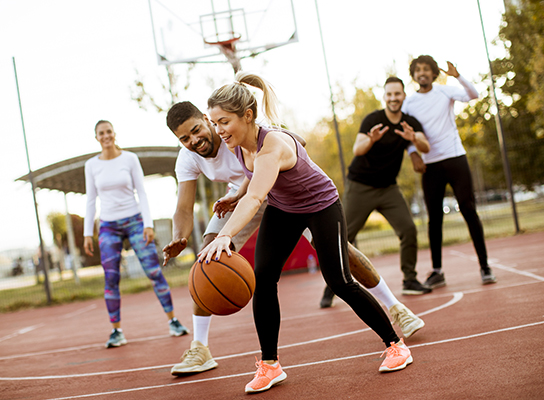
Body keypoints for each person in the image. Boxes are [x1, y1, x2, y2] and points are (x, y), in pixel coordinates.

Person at [164, 101, 424, 377]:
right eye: (184, 138)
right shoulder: (192, 156)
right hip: (243, 198)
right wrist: (180, 237)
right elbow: (184, 207)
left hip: (289, 194)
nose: (194, 140)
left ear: (207, 120)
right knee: (209, 259)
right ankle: (202, 348)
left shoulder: (239, 128)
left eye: (196, 130)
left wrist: (282, 146)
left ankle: (395, 308)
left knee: (340, 260)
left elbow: (293, 142)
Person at [319, 77, 432, 308]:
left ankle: (410, 279)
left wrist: (413, 140)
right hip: (361, 186)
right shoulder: (373, 119)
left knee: (408, 230)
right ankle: (332, 286)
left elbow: (425, 145)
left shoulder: (409, 123)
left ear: (403, 96)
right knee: (343, 237)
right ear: (385, 96)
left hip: (388, 189)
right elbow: (357, 149)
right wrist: (371, 140)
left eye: (397, 94)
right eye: (389, 94)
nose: (393, 98)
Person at [84, 120, 189, 349]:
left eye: (109, 132)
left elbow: (141, 191)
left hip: (134, 221)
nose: (106, 136)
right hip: (108, 226)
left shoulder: (129, 159)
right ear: (96, 137)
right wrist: (86, 233)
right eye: (101, 133)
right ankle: (116, 331)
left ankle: (173, 321)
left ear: (114, 133)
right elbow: (91, 199)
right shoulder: (91, 165)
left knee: (153, 271)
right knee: (111, 278)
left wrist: (148, 225)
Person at [402, 55, 497, 287]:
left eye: (426, 69)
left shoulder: (445, 91)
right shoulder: (409, 103)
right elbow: (403, 132)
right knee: (434, 219)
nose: (422, 73)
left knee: (468, 209)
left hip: (455, 158)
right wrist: (413, 153)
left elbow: (473, 94)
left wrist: (458, 76)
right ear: (413, 75)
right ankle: (437, 271)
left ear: (434, 74)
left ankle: (484, 266)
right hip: (430, 165)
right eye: (418, 70)